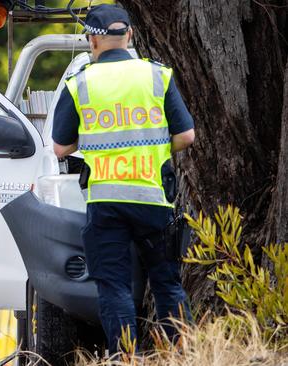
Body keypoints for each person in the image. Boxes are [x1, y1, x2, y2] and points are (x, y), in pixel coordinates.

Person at [52, 5, 195, 354]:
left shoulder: (80, 83)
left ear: (93, 40)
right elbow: (186, 135)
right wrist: (156, 149)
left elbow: (59, 148)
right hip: (153, 198)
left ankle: (125, 357)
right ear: (129, 35)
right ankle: (184, 356)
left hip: (106, 203)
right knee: (167, 283)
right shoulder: (156, 76)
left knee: (114, 287)